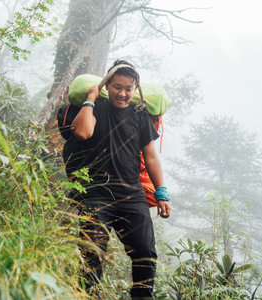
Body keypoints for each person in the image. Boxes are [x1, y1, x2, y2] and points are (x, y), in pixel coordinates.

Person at [70, 59, 171, 299]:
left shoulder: (139, 115)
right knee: (92, 252)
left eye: (128, 88)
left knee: (145, 253)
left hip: (131, 195)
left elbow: (151, 157)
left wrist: (162, 194)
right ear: (107, 85)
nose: (123, 93)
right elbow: (83, 132)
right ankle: (85, 296)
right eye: (117, 86)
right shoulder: (97, 108)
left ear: (136, 89)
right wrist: (91, 98)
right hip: (96, 194)